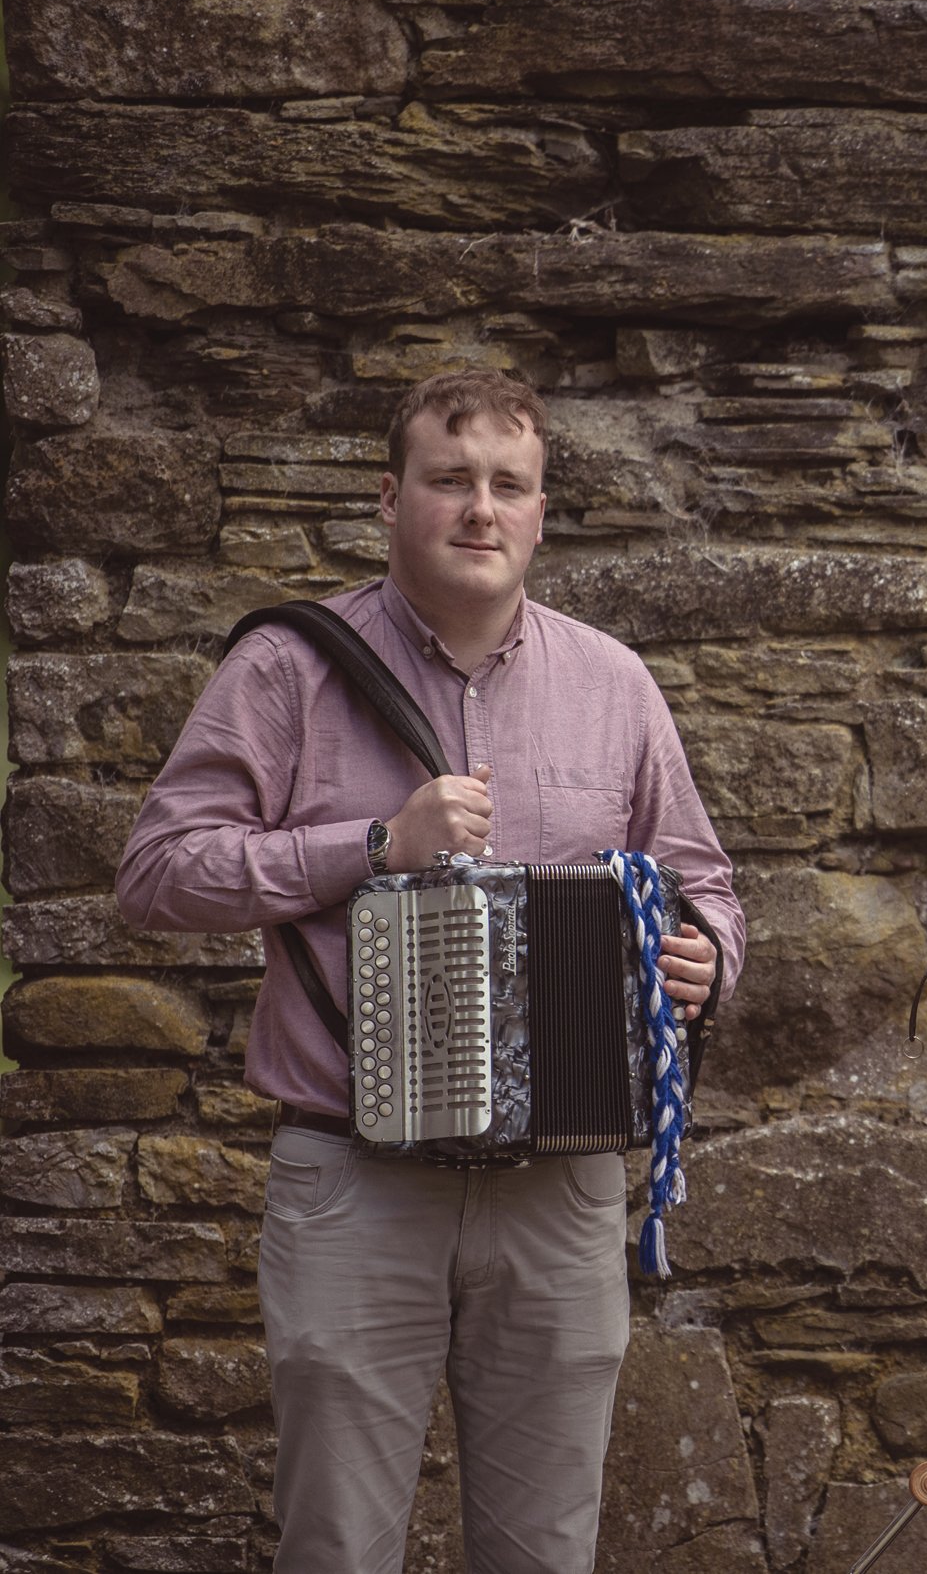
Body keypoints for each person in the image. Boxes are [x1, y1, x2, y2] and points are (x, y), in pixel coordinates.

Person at [118, 368, 747, 1574]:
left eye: (509, 485)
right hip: (354, 1178)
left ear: (542, 511)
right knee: (338, 1547)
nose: (480, 509)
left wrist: (704, 955)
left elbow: (703, 883)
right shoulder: (288, 669)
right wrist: (370, 847)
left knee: (545, 1551)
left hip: (562, 1187)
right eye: (450, 479)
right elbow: (156, 874)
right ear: (390, 495)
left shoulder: (613, 683)